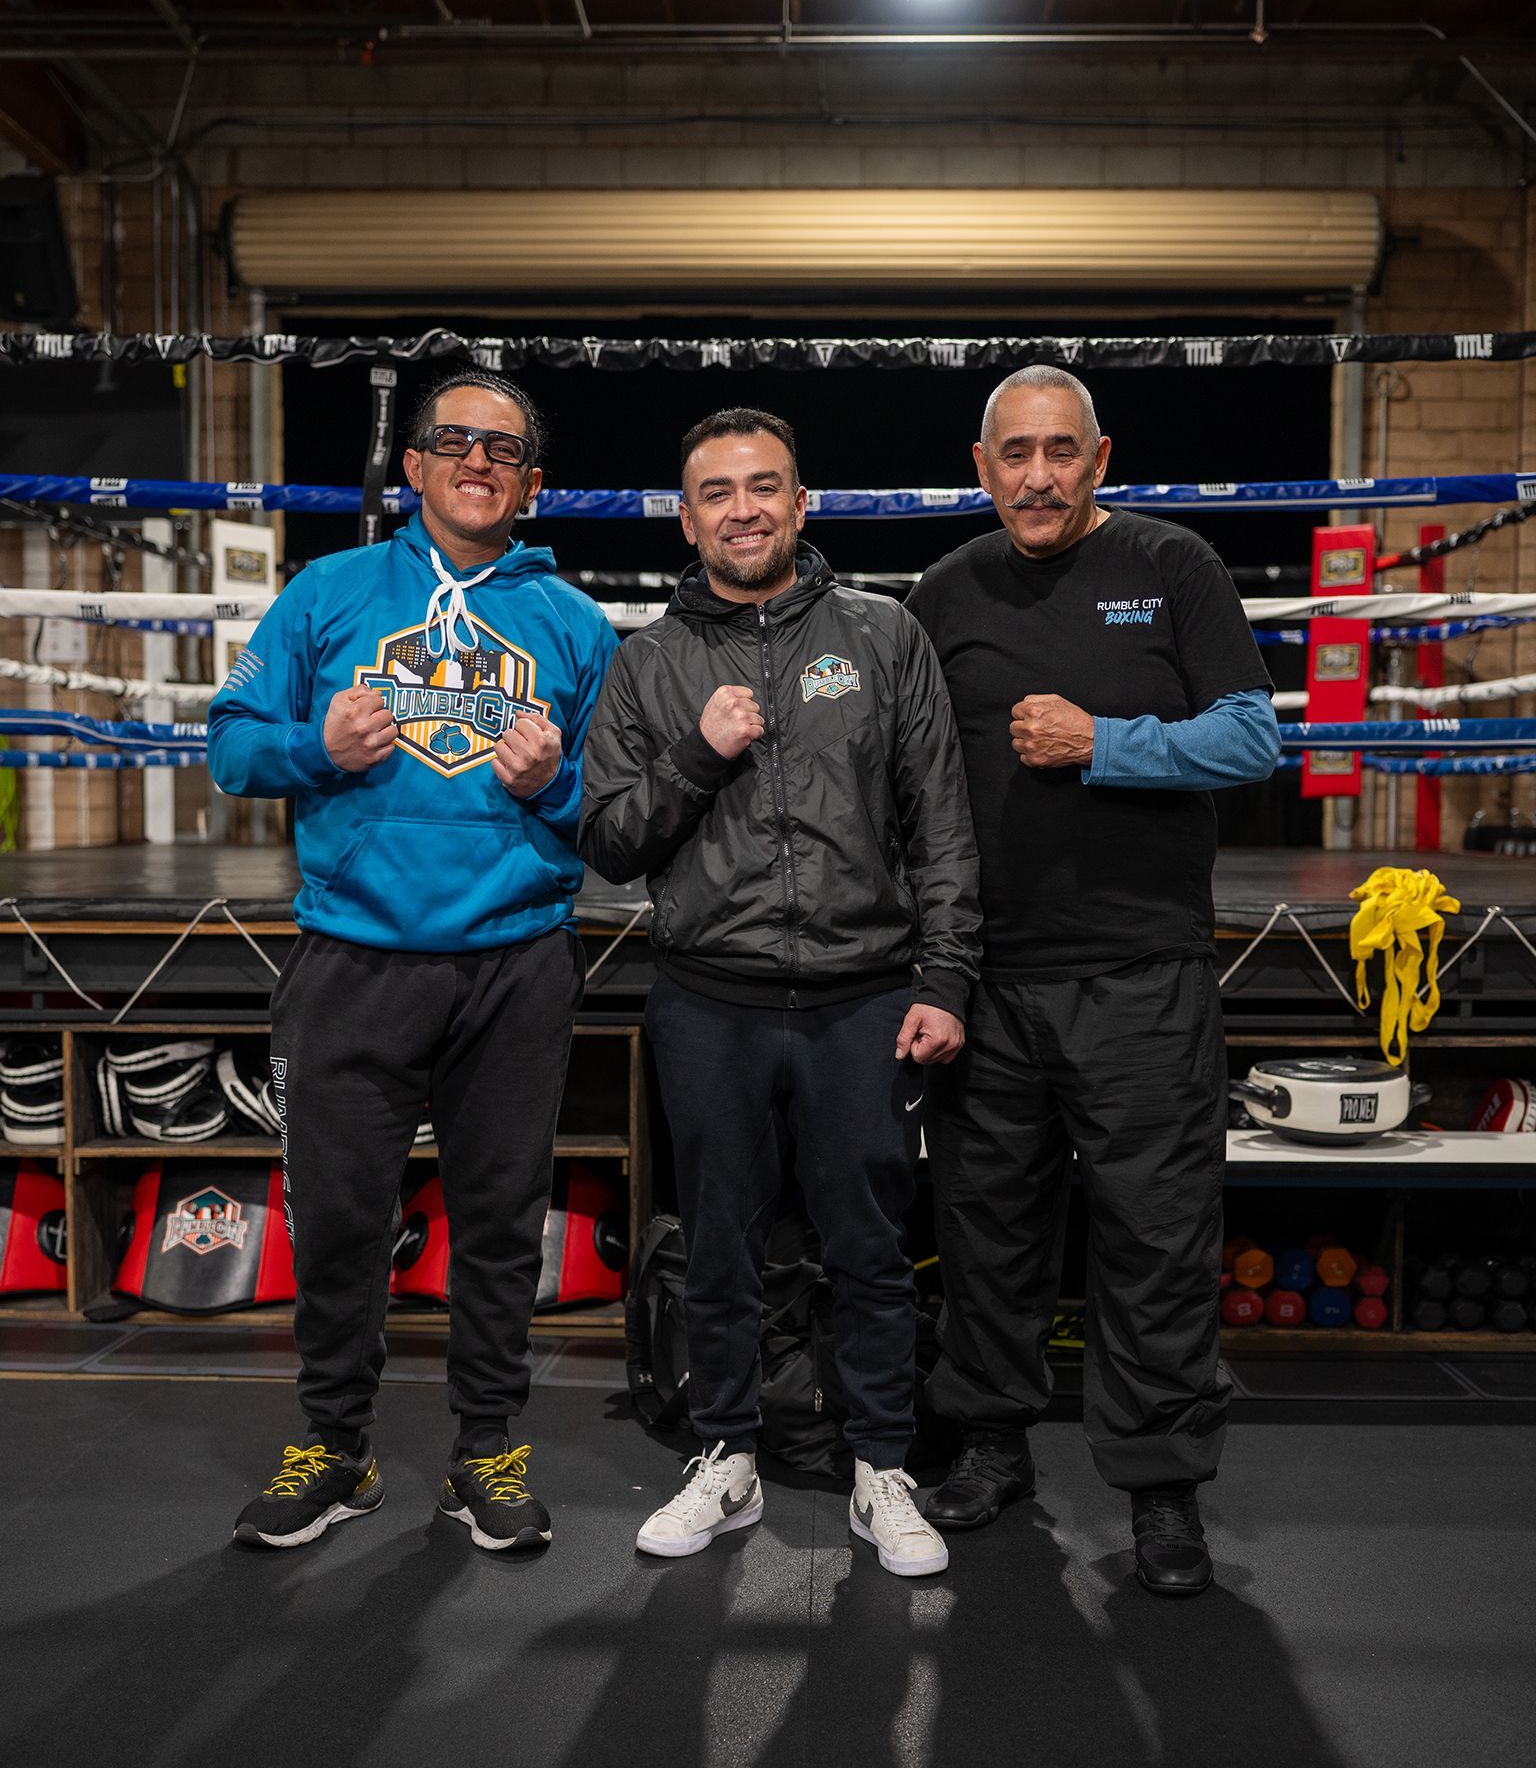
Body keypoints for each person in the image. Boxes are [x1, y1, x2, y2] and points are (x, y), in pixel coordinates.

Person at [208, 370, 617, 1552]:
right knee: (338, 1222)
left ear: (532, 485)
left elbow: (618, 814)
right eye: (454, 439)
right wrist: (313, 744)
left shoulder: (576, 625)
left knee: (500, 1224)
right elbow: (232, 749)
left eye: (503, 448)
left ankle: (485, 1449)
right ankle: (334, 1452)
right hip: (353, 961)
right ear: (417, 468)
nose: (477, 460)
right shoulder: (328, 591)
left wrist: (560, 785)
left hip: (516, 964)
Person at [580, 407, 980, 1579]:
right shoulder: (649, 661)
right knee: (718, 1243)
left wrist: (947, 974)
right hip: (710, 998)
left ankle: (880, 1466)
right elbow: (606, 839)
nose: (743, 508)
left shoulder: (883, 634)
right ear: (688, 515)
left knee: (867, 1243)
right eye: (717, 490)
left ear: (801, 504)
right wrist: (697, 754)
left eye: (766, 487)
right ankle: (725, 1455)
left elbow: (943, 825)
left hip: (864, 994)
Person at [906, 366, 1280, 1596]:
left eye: (1062, 451)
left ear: (1101, 458)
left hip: (1140, 973)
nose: (1039, 476)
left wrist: (1105, 743)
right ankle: (994, 1445)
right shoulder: (948, 592)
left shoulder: (1175, 568)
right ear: (981, 466)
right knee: (988, 1230)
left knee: (1157, 1240)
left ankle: (1163, 1492)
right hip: (994, 978)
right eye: (1015, 454)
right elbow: (910, 779)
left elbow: (1251, 736)